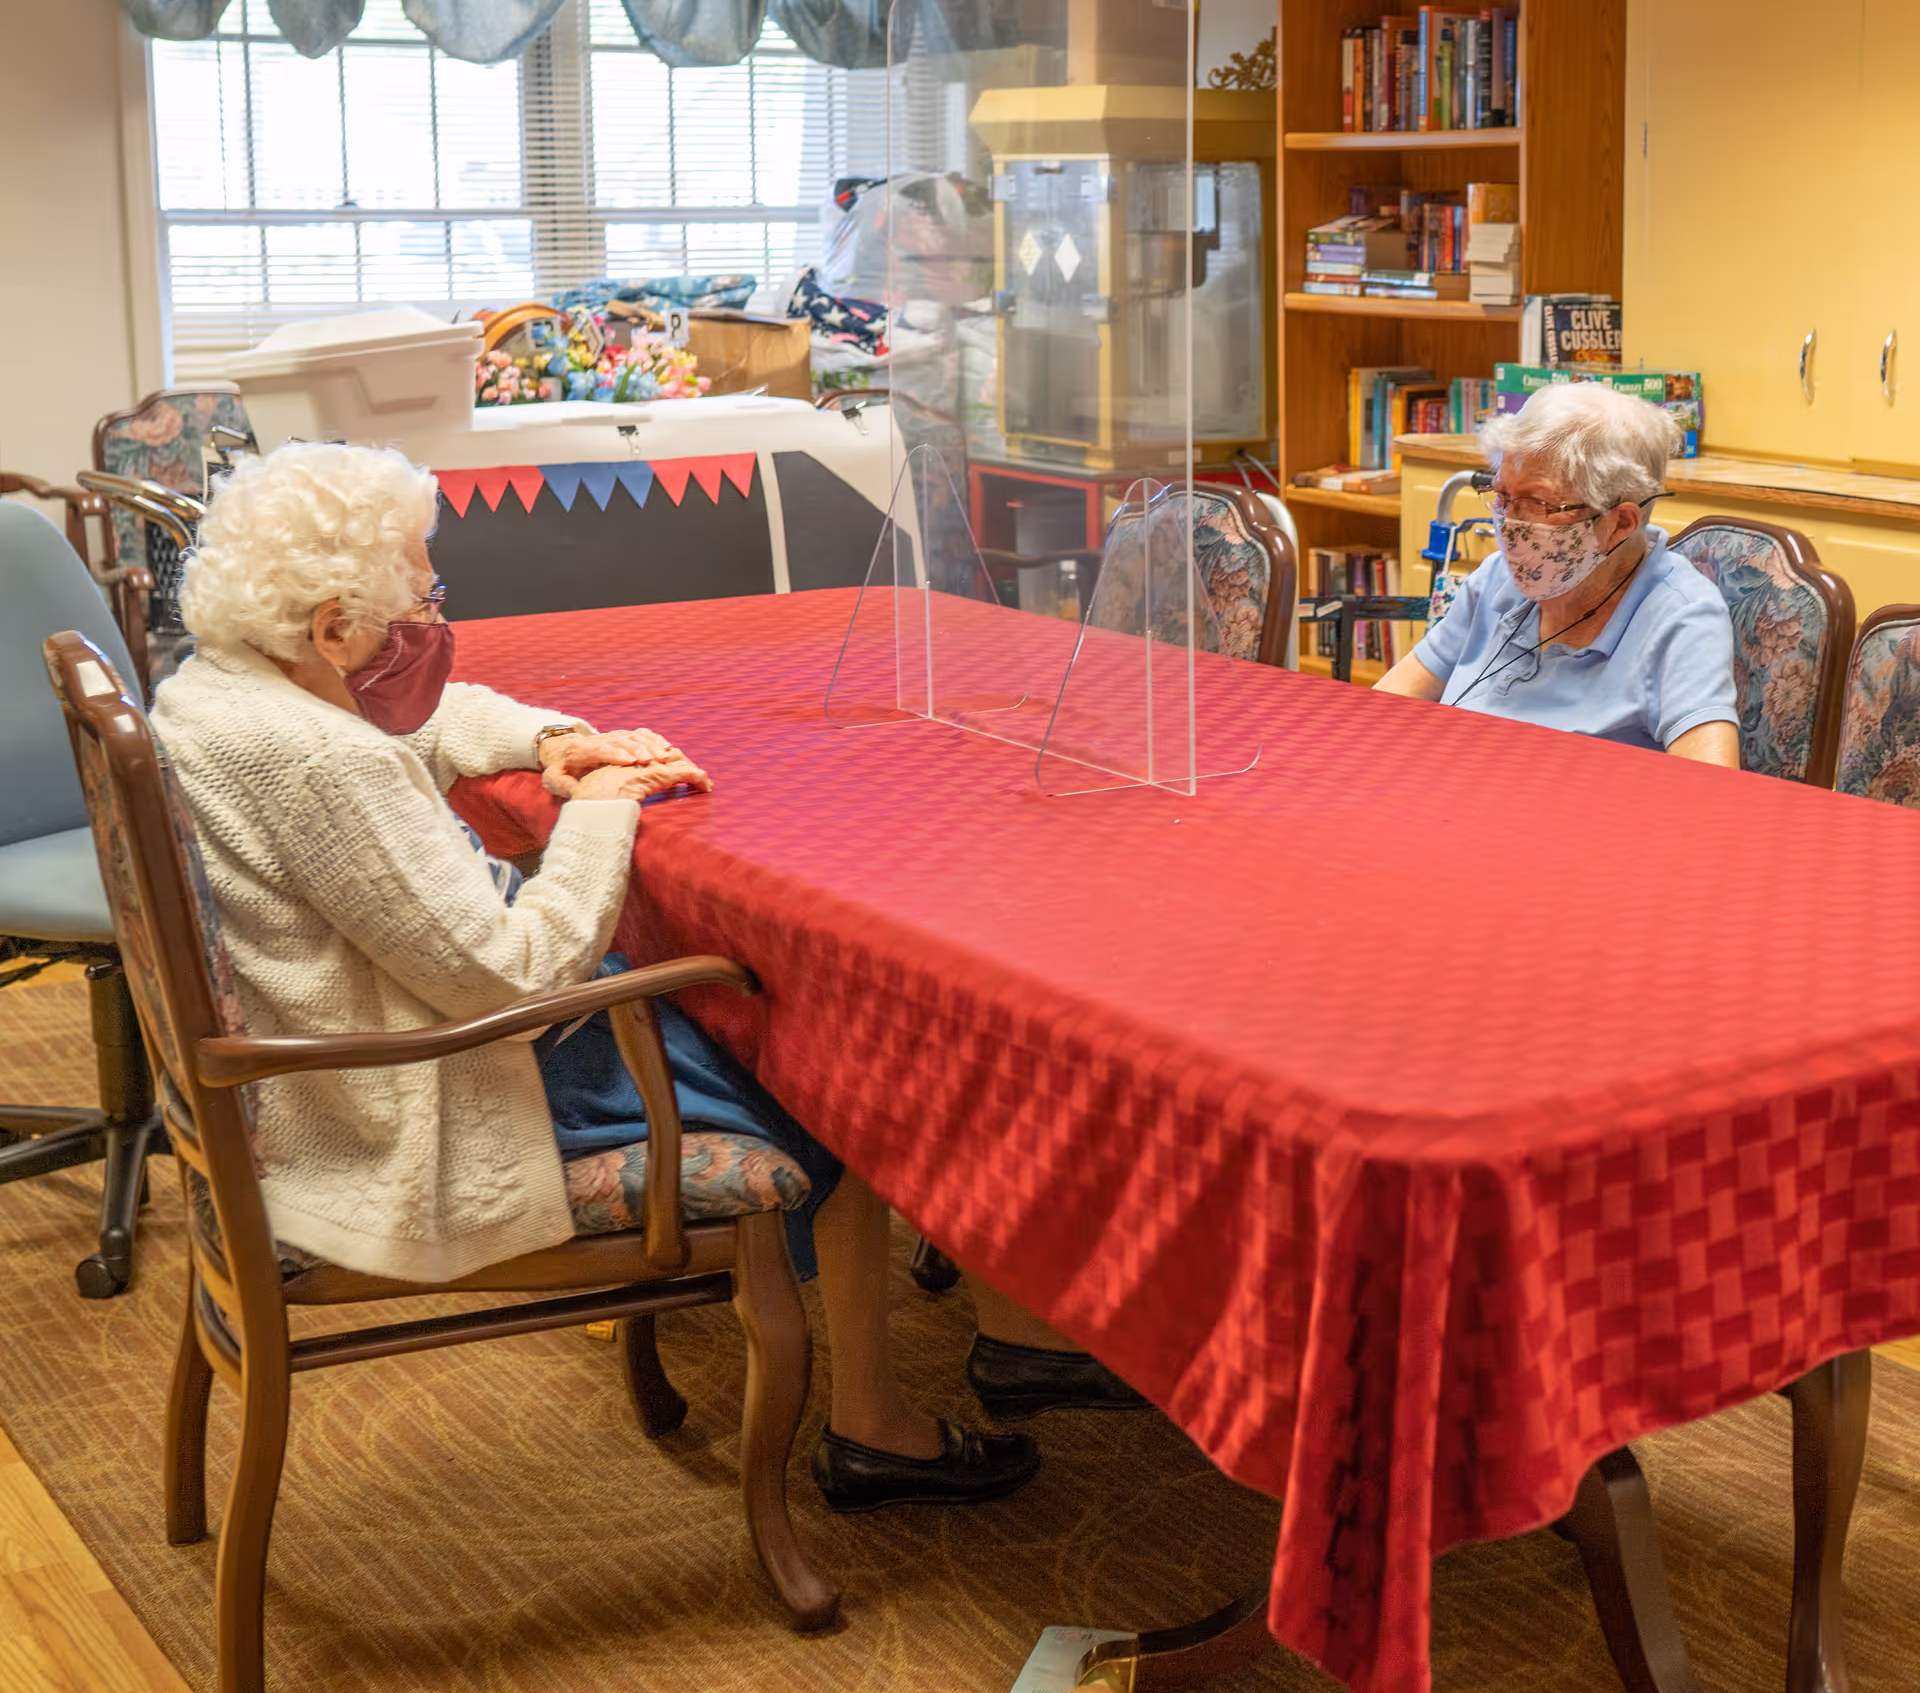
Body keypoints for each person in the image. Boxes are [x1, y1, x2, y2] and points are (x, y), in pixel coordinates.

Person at [154, 442, 1142, 1515]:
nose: (436, 624)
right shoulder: (320, 762)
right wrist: (602, 809)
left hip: (315, 1077)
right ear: (334, 629)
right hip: (425, 1102)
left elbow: (429, 719)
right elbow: (511, 973)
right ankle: (880, 1424)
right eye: (422, 601)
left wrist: (554, 741)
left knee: (771, 995)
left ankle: (1011, 1328)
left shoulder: (225, 694)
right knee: (832, 1058)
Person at [1373, 382, 1739, 764]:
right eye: (1502, 496)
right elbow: (1390, 703)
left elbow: (1714, 787)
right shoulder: (1498, 577)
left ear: (1620, 522)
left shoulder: (1682, 618)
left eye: (1536, 503)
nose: (1508, 524)